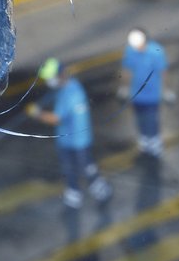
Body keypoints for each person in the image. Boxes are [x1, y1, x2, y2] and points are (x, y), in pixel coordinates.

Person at [28, 58, 112, 209]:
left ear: (59, 75)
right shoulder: (68, 86)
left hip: (78, 141)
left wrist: (37, 113)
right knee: (68, 168)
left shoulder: (71, 94)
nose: (49, 82)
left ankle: (102, 191)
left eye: (50, 78)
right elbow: (53, 96)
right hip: (67, 139)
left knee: (86, 167)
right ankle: (74, 193)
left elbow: (56, 119)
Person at [120, 28, 169, 157]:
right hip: (137, 95)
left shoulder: (156, 51)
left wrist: (166, 91)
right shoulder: (130, 51)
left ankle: (155, 142)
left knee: (152, 120)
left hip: (153, 95)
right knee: (140, 118)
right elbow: (127, 70)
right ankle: (144, 141)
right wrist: (124, 89)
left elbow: (163, 72)